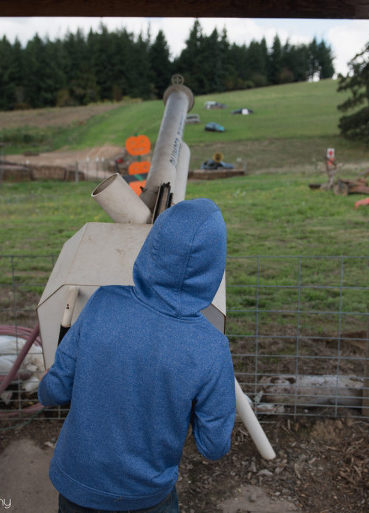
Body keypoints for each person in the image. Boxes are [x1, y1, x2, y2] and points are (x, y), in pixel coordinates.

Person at [39, 198, 237, 513]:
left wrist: (47, 386)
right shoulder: (210, 347)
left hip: (76, 485)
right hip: (146, 497)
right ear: (214, 264)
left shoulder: (103, 302)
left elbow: (54, 391)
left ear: (153, 247)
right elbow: (213, 447)